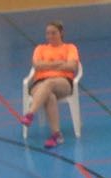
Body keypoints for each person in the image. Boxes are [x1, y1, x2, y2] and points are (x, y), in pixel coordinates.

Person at [19, 20, 79, 150]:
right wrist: (58, 64)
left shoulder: (70, 48)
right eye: (48, 33)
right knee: (49, 96)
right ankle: (56, 135)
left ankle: (30, 114)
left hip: (62, 82)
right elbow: (37, 65)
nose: (50, 36)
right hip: (39, 83)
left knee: (50, 82)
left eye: (53, 33)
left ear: (61, 33)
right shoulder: (40, 49)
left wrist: (47, 65)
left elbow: (72, 66)